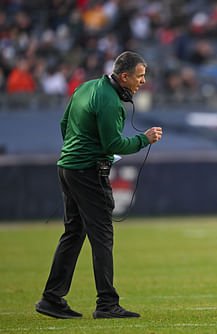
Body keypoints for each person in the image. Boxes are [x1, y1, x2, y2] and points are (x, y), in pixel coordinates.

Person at [35, 51, 163, 319]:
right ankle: (106, 304)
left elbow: (64, 124)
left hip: (68, 166)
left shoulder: (85, 87)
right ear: (124, 76)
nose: (143, 81)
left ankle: (51, 298)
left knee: (73, 233)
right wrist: (145, 139)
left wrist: (78, 149)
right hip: (88, 171)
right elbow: (113, 144)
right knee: (102, 235)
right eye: (139, 76)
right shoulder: (110, 102)